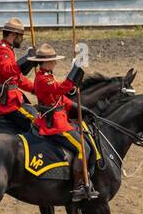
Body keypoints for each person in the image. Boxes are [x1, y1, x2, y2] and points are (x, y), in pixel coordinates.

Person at [30, 44, 97, 202]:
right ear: (46, 62)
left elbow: (60, 99)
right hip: (54, 125)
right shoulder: (42, 79)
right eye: (53, 61)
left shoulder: (48, 75)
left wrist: (78, 107)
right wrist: (77, 68)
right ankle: (79, 186)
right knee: (83, 148)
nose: (55, 63)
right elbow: (63, 88)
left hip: (60, 119)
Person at [0, 18, 37, 134]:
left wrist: (35, 89)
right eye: (21, 36)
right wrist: (27, 59)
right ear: (14, 34)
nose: (22, 40)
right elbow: (8, 71)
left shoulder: (8, 49)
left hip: (12, 99)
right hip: (7, 103)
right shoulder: (2, 51)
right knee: (38, 124)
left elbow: (17, 78)